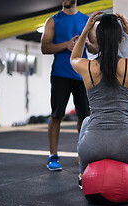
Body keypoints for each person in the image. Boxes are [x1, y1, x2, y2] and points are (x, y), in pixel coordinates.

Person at [71, 12, 128, 192]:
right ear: (120, 38)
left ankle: (81, 177)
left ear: (98, 39)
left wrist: (86, 29)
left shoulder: (88, 67)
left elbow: (73, 59)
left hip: (91, 149)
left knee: (87, 120)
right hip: (127, 149)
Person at [41, 0, 98, 171]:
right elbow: (45, 47)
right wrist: (65, 45)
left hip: (82, 74)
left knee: (84, 116)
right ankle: (53, 156)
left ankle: (83, 153)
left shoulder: (86, 21)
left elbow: (96, 48)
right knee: (56, 115)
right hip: (60, 74)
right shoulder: (53, 21)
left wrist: (87, 43)